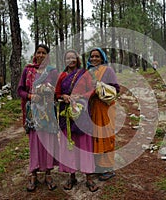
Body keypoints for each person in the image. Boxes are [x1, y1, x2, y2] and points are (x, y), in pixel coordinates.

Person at [55, 49, 98, 192]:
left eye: (73, 57)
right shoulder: (61, 76)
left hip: (82, 112)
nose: (71, 60)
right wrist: (64, 97)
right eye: (68, 58)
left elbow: (92, 90)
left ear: (77, 59)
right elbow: (57, 94)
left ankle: (89, 177)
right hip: (66, 114)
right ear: (64, 60)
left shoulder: (84, 74)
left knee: (84, 144)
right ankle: (72, 176)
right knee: (69, 144)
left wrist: (80, 97)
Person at [17, 44, 59, 192]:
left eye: (44, 53)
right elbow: (20, 90)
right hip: (33, 112)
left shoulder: (52, 71)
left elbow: (57, 89)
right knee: (34, 142)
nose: (41, 55)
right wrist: (30, 96)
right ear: (35, 54)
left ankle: (48, 173)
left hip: (48, 113)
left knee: (48, 142)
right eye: (38, 52)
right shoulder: (28, 70)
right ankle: (33, 174)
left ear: (47, 56)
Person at [86, 47, 120, 181]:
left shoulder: (108, 70)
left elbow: (116, 89)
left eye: (97, 56)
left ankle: (108, 168)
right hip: (93, 108)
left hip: (106, 108)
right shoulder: (88, 72)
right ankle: (98, 167)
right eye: (92, 56)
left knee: (106, 136)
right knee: (95, 137)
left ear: (102, 58)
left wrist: (99, 87)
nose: (94, 59)